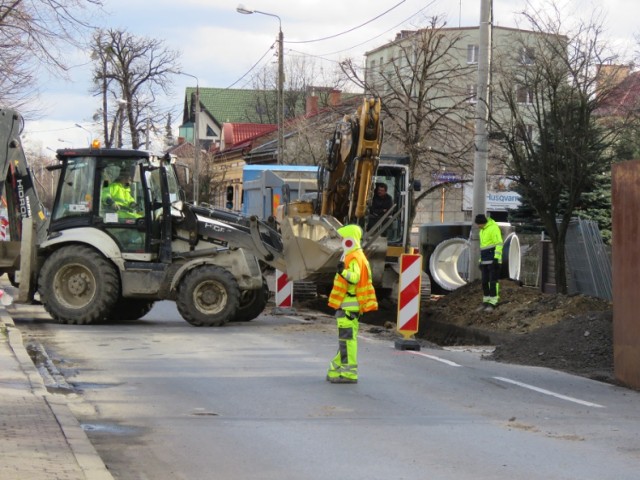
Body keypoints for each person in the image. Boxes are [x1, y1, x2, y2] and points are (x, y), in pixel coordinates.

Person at [326, 224, 378, 384]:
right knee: (346, 341)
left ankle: (349, 374)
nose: (341, 241)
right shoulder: (355, 255)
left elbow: (354, 278)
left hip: (348, 306)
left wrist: (343, 272)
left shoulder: (354, 257)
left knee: (347, 341)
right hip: (349, 307)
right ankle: (334, 370)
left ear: (349, 240)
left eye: (343, 238)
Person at [475, 213, 503, 311]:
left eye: (479, 224)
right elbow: (483, 247)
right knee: (484, 282)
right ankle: (486, 301)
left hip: (493, 261)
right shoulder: (482, 230)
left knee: (493, 282)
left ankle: (493, 302)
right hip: (485, 261)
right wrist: (480, 261)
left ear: (483, 223)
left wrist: (496, 258)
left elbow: (499, 243)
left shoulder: (493, 228)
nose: (478, 226)